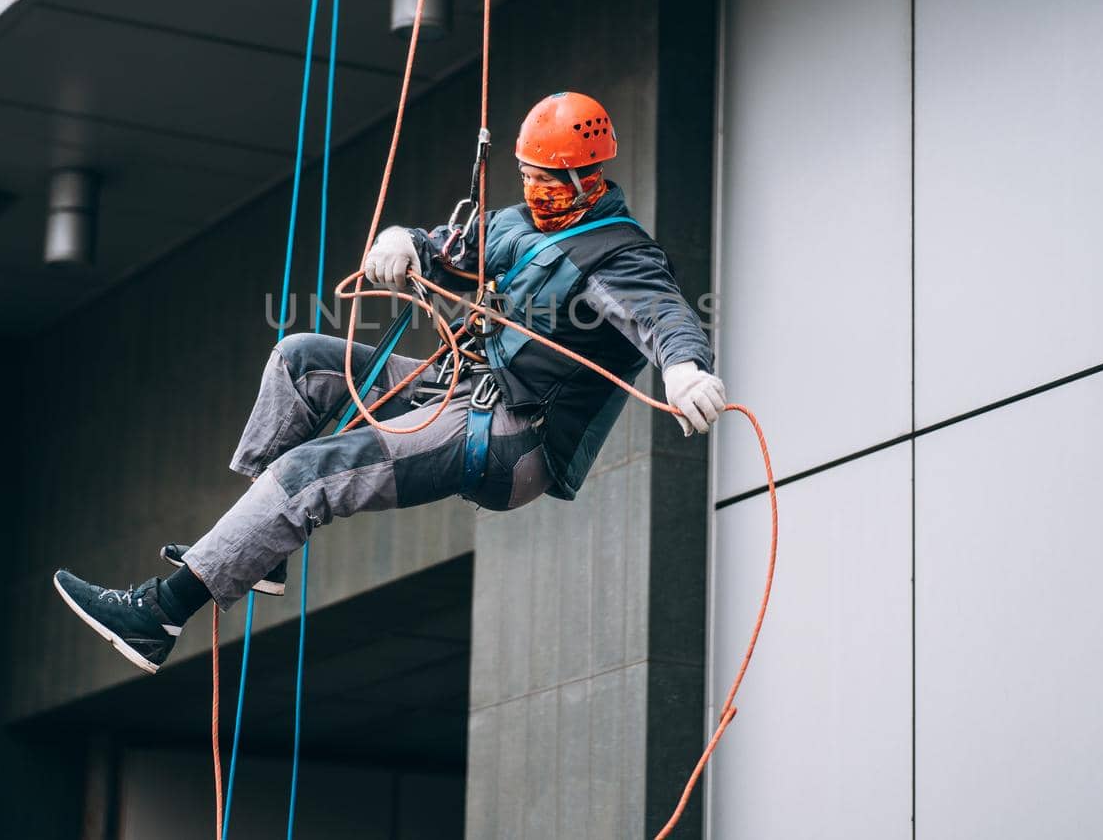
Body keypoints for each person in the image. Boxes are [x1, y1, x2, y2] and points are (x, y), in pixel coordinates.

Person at [52, 92, 727, 674]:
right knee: (301, 360)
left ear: (590, 179)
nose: (536, 195)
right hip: (460, 386)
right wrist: (404, 240)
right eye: (528, 179)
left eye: (551, 183)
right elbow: (445, 247)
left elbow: (665, 314)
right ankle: (259, 552)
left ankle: (160, 614)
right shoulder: (517, 227)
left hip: (513, 438)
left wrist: (684, 365)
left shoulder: (622, 254)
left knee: (314, 470)